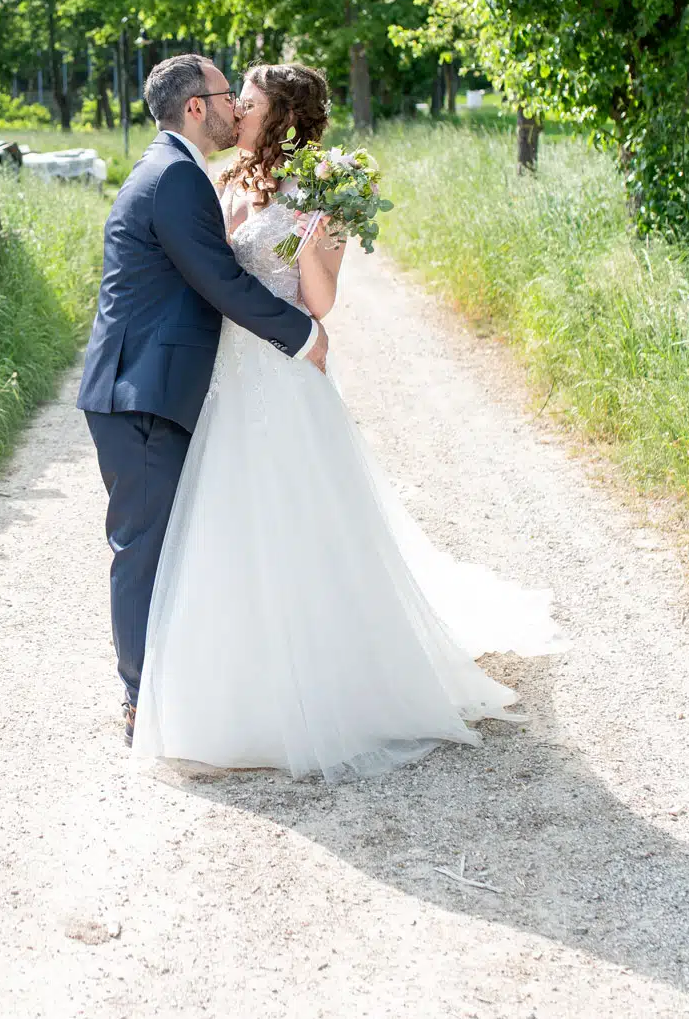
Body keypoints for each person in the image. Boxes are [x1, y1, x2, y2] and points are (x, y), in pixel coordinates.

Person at [129, 62, 567, 780]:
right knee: (231, 526)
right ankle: (234, 687)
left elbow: (320, 305)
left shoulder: (320, 189)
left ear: (281, 113)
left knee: (303, 525)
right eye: (235, 94)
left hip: (286, 376)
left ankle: (327, 680)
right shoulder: (224, 181)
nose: (236, 104)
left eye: (250, 97)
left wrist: (312, 242)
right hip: (229, 375)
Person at [77, 53, 327, 748]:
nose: (235, 108)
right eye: (226, 96)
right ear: (196, 107)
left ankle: (167, 689)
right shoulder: (179, 179)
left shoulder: (175, 170)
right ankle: (137, 702)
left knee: (172, 545)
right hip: (143, 393)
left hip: (151, 385)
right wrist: (303, 334)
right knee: (143, 550)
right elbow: (220, 279)